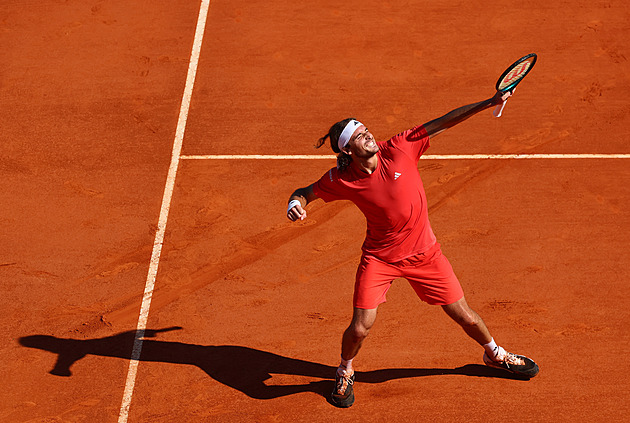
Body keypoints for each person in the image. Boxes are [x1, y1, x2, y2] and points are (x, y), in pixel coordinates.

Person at [286, 90, 539, 408]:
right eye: (359, 135)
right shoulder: (342, 179)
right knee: (361, 327)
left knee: (465, 316)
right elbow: (306, 191)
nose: (368, 135)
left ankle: (495, 355)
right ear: (347, 149)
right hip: (380, 258)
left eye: (366, 129)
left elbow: (443, 121)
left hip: (426, 254)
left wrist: (489, 102)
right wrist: (296, 202)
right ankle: (345, 370)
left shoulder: (398, 149)